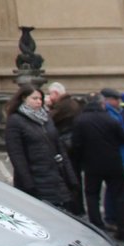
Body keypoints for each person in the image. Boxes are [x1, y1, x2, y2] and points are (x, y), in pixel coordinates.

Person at [71, 90, 124, 239]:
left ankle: (96, 227)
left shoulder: (80, 120)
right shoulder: (110, 119)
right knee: (119, 195)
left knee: (92, 195)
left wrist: (79, 162)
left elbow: (77, 145)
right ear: (102, 104)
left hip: (91, 164)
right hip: (113, 162)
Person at [3, 86, 74, 208]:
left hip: (54, 175)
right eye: (34, 98)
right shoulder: (15, 120)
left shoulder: (46, 118)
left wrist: (70, 176)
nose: (38, 101)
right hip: (34, 175)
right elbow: (16, 154)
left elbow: (59, 146)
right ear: (24, 98)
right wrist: (28, 182)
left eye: (40, 98)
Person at [43, 82, 83, 211]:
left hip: (67, 146)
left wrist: (47, 107)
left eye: (50, 94)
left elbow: (47, 120)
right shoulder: (71, 103)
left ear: (55, 94)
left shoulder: (62, 105)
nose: (49, 96)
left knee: (69, 177)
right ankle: (77, 207)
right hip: (73, 145)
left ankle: (73, 207)